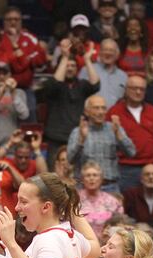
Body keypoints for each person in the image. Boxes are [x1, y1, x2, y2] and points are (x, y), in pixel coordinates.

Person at [39, 37, 99, 168]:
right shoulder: (51, 84)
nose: (70, 68)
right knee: (55, 178)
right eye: (67, 66)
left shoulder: (81, 85)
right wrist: (65, 57)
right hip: (56, 138)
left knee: (77, 176)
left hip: (76, 137)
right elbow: (55, 85)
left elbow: (96, 85)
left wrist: (87, 60)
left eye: (73, 66)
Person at [107, 75, 153, 192]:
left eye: (142, 89)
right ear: (126, 90)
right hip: (125, 169)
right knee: (126, 207)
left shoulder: (152, 111)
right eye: (134, 88)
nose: (138, 92)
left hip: (152, 167)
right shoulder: (114, 112)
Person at [68, 95, 136, 191]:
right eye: (96, 108)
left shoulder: (115, 129)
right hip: (84, 188)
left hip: (110, 187)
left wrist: (119, 135)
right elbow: (70, 159)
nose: (100, 112)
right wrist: (81, 140)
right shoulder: (78, 131)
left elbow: (131, 153)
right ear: (86, 112)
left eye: (103, 108)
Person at [79, 39, 127, 111]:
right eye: (105, 50)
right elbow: (78, 95)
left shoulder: (123, 76)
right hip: (91, 117)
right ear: (100, 52)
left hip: (114, 118)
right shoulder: (87, 69)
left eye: (111, 50)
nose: (108, 53)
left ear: (117, 55)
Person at [79, 162, 124, 238]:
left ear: (101, 179)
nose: (91, 178)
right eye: (88, 175)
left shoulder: (112, 201)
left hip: (107, 243)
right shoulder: (73, 200)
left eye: (95, 175)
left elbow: (119, 224)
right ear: (82, 179)